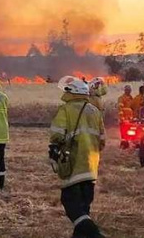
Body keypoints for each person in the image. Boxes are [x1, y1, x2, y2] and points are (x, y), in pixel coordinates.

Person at [49, 76, 107, 238]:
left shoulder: (66, 110)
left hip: (74, 166)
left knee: (71, 204)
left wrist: (54, 150)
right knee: (83, 209)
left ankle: (96, 235)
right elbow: (102, 141)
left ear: (71, 93)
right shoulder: (95, 111)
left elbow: (57, 135)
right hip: (91, 169)